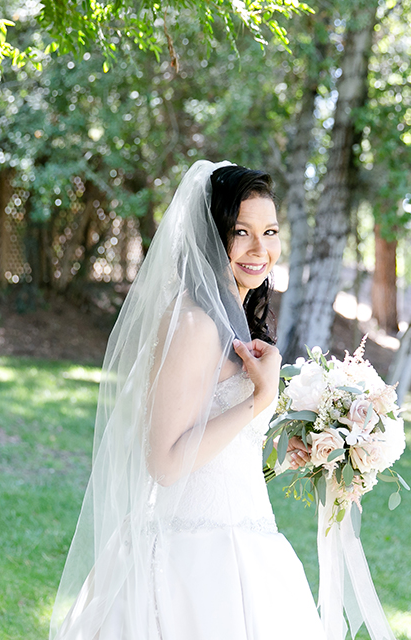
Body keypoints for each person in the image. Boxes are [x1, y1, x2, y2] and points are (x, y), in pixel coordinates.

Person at [48, 160, 325, 639]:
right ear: (211, 238)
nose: (261, 249)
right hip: (193, 563)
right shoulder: (194, 323)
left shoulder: (234, 319)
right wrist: (258, 401)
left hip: (247, 541)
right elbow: (167, 463)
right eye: (242, 232)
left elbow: (219, 453)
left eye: (271, 231)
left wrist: (287, 452)